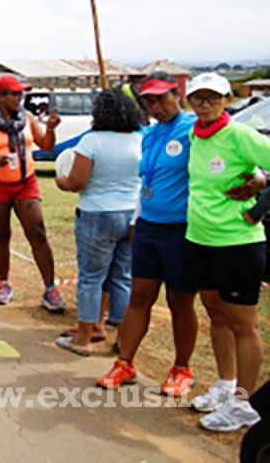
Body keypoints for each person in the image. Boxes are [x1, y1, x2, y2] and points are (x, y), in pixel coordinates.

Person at [97, 72, 233, 394]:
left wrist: (256, 181)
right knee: (139, 296)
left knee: (179, 301)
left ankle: (182, 369)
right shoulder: (149, 134)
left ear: (177, 94)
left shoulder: (195, 131)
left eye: (161, 98)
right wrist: (136, 219)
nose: (156, 106)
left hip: (183, 230)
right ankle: (124, 363)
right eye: (149, 101)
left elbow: (227, 159)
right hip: (148, 228)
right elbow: (145, 181)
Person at [180, 72, 270, 432]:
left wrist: (260, 203)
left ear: (227, 100)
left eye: (212, 98)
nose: (204, 104)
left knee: (243, 324)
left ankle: (244, 404)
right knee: (216, 315)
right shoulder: (195, 132)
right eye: (198, 98)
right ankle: (225, 385)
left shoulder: (240, 134)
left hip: (238, 242)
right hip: (201, 239)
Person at [54, 89, 142, 356]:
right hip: (131, 215)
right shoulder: (140, 139)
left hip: (97, 214)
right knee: (122, 278)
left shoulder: (92, 141)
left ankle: (83, 338)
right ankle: (122, 341)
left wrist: (61, 182)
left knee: (91, 278)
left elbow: (77, 182)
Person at [0, 74, 66, 313]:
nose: (19, 98)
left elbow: (46, 146)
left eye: (21, 93)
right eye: (14, 94)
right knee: (1, 235)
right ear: (0, 96)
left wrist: (51, 129)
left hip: (25, 182)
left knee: (37, 231)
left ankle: (50, 288)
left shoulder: (28, 118)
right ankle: (3, 283)